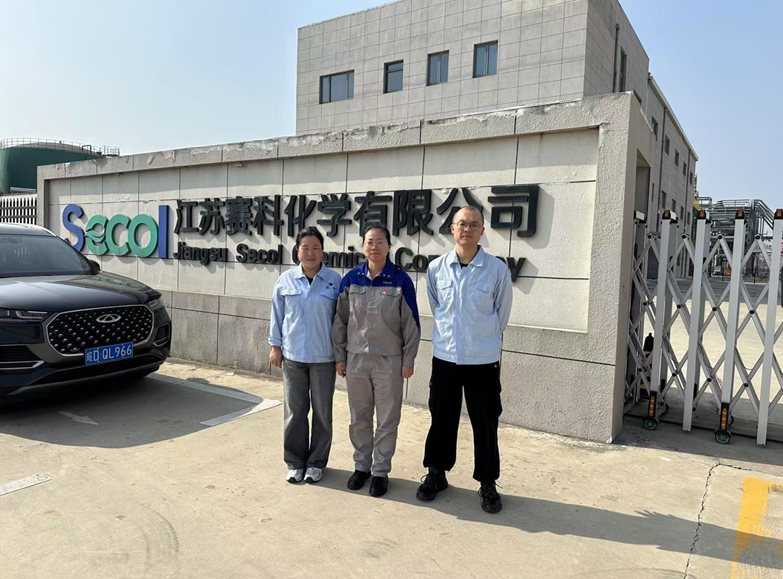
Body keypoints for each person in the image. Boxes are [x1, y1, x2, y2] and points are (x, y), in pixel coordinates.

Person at [416, 206, 513, 513]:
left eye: (473, 225)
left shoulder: (496, 270)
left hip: (483, 360)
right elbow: (437, 307)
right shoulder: (437, 268)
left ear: (482, 231)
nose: (467, 229)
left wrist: (481, 340)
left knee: (485, 422)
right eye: (461, 224)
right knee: (441, 418)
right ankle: (436, 473)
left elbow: (501, 315)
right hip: (445, 357)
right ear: (452, 229)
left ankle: (487, 482)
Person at [333, 225, 420, 498]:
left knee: (387, 418)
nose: (374, 246)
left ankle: (381, 471)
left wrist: (408, 360)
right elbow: (340, 321)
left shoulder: (400, 280)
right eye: (370, 241)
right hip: (356, 360)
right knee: (359, 417)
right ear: (363, 246)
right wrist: (339, 356)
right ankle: (361, 466)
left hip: (389, 361)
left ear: (389, 246)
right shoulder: (351, 279)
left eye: (380, 241)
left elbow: (411, 324)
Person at [269, 226, 342, 485]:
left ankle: (316, 463)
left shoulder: (334, 280)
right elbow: (277, 315)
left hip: (324, 357)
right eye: (305, 248)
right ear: (297, 251)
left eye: (316, 248)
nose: (311, 253)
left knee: (322, 413)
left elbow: (341, 321)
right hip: (293, 356)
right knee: (295, 412)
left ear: (323, 251)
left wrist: (341, 355)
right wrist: (275, 346)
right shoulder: (285, 280)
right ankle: (294, 462)